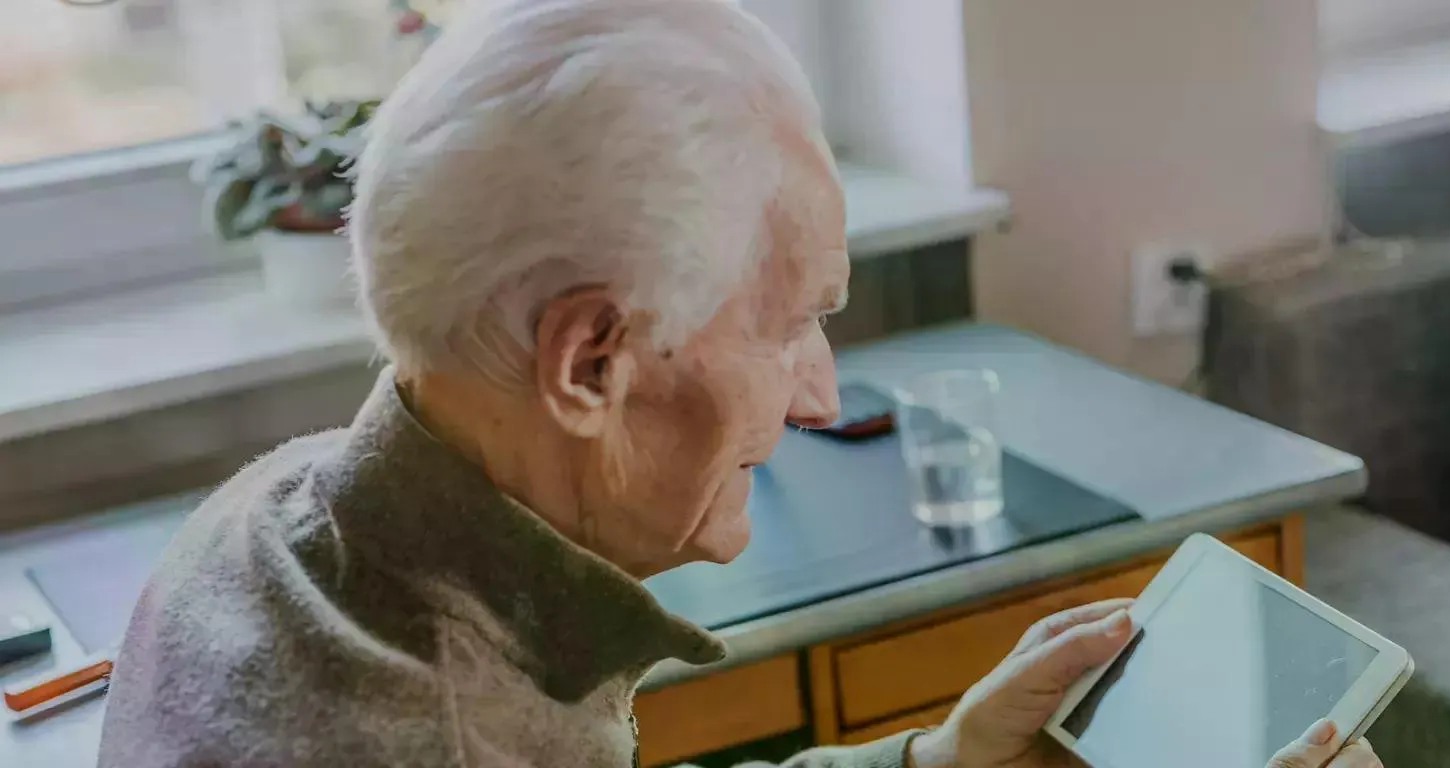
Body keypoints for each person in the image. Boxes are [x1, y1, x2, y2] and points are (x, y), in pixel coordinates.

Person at [95, 1, 1385, 767]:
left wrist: (941, 761)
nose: (820, 399)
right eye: (792, 325)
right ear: (590, 363)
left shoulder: (276, 519)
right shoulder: (444, 733)